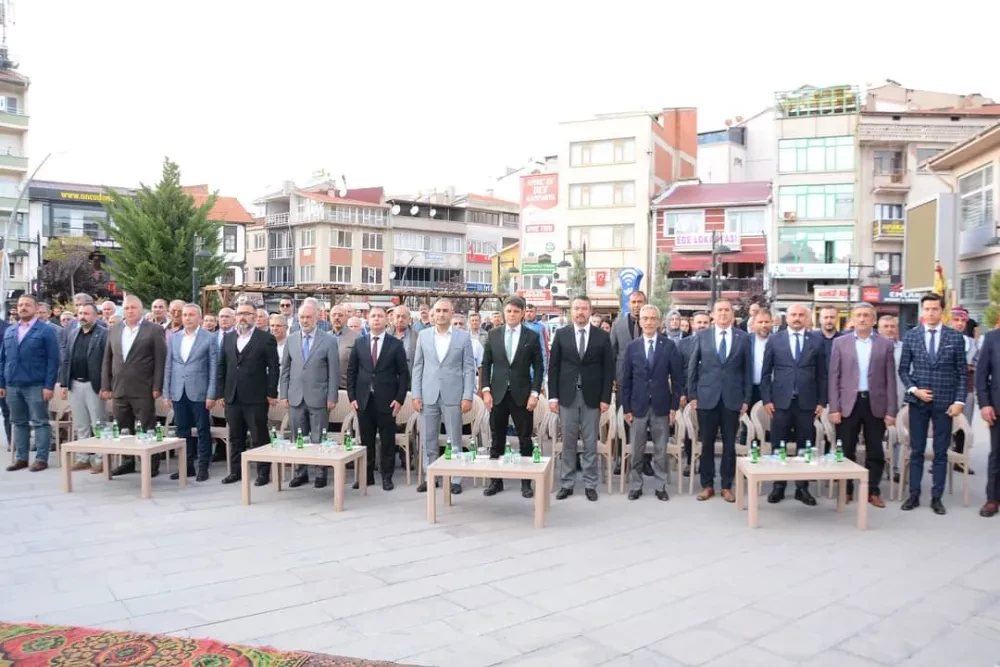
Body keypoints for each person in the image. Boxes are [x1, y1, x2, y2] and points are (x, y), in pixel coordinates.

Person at [898, 293, 966, 515]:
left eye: (934, 309)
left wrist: (959, 401)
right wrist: (914, 390)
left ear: (942, 311)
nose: (930, 313)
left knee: (940, 451)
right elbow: (903, 369)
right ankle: (914, 494)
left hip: (945, 403)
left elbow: (962, 372)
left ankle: (937, 497)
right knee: (916, 450)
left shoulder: (955, 337)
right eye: (927, 309)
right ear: (922, 311)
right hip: (918, 402)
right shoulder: (912, 336)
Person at [828, 303, 898, 507]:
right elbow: (834, 377)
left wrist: (891, 410)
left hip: (875, 403)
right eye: (858, 315)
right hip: (848, 403)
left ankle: (873, 490)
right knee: (846, 448)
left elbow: (890, 379)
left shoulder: (885, 345)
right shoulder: (840, 343)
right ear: (852, 319)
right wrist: (834, 408)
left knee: (875, 449)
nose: (862, 319)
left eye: (867, 315)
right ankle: (847, 489)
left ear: (874, 320)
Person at [548, 295, 614, 502]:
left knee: (590, 442)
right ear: (571, 311)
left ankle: (590, 484)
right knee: (568, 442)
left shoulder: (601, 336)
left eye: (584, 308)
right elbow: (553, 368)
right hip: (567, 396)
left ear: (590, 311)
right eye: (576, 308)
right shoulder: (561, 334)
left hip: (592, 398)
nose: (580, 312)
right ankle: (566, 483)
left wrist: (605, 398)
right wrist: (552, 397)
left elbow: (608, 370)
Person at [761, 303, 826, 506]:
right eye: (793, 315)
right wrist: (766, 399)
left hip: (807, 402)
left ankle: (802, 487)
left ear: (807, 318)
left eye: (801, 315)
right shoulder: (775, 339)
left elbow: (823, 374)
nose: (797, 318)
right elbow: (765, 373)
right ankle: (778, 486)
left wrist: (822, 401)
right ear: (786, 318)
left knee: (805, 446)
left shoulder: (816, 340)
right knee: (778, 444)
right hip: (780, 402)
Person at [688, 299, 751, 502]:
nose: (723, 313)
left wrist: (746, 399)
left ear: (732, 314)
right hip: (707, 398)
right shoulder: (702, 336)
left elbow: (747, 370)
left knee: (729, 444)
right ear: (713, 315)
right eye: (719, 310)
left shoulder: (743, 338)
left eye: (727, 310)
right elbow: (693, 368)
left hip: (732, 398)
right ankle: (707, 485)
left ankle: (726, 485)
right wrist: (693, 395)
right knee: (706, 443)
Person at [481, 296, 544, 498]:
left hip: (522, 395)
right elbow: (486, 364)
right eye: (509, 311)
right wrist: (485, 390)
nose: (512, 315)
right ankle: (495, 481)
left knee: (525, 439)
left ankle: (526, 482)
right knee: (496, 438)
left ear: (523, 313)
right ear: (503, 312)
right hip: (497, 394)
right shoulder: (493, 334)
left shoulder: (531, 336)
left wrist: (535, 393)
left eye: (516, 311)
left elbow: (539, 367)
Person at [620, 304, 684, 501]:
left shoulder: (669, 346)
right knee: (637, 450)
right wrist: (626, 408)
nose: (649, 322)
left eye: (652, 318)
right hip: (637, 406)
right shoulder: (632, 347)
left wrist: (674, 406)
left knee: (660, 450)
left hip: (661, 405)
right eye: (645, 318)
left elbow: (678, 378)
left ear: (658, 321)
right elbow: (626, 380)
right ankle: (636, 485)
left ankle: (660, 486)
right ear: (640, 322)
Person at [412, 299, 476, 495]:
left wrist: (467, 396)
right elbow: (418, 367)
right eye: (438, 310)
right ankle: (430, 476)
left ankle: (455, 479)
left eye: (445, 311)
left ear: (451, 312)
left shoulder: (463, 337)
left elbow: (469, 368)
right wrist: (416, 394)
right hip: (428, 394)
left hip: (453, 395)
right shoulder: (423, 336)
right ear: (433, 313)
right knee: (428, 438)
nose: (441, 314)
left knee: (454, 438)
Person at [101, 295, 167, 477]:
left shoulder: (154, 330)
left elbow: (160, 360)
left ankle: (151, 464)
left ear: (141, 310)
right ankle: (127, 461)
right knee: (123, 426)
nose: (130, 311)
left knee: (147, 426)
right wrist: (106, 385)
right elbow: (107, 359)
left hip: (143, 387)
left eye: (133, 308)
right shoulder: (114, 329)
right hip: (119, 388)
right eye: (127, 308)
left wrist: (157, 386)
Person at [217, 302, 279, 486]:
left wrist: (271, 392)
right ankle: (236, 471)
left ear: (255, 316)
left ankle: (263, 473)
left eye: (247, 313)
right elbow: (222, 366)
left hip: (256, 397)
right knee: (236, 436)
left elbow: (273, 368)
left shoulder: (265, 338)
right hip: (232, 396)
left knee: (259, 436)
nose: (243, 317)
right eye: (240, 313)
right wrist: (221, 392)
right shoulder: (228, 338)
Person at [347, 306, 408, 491]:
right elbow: (352, 371)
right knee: (366, 440)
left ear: (386, 320)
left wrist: (399, 399)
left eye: (380, 316)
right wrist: (352, 397)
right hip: (364, 400)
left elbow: (403, 374)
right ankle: (367, 476)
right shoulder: (359, 343)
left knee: (387, 441)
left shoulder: (395, 344)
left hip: (387, 401)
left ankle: (387, 477)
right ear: (368, 319)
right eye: (373, 316)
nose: (376, 319)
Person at [281, 301, 340, 489]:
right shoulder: (291, 339)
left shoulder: (328, 340)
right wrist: (284, 394)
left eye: (308, 317)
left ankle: (321, 473)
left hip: (319, 397)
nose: (305, 321)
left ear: (316, 318)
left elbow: (334, 372)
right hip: (296, 397)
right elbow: (285, 369)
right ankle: (300, 473)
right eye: (302, 317)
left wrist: (332, 397)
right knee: (298, 437)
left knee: (319, 437)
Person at [2, 295, 60, 472]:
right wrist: (2, 383)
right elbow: (3, 359)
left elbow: (53, 360)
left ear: (36, 308)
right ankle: (21, 458)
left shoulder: (45, 331)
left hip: (36, 384)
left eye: (27, 304)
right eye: (20, 304)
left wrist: (49, 385)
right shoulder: (10, 331)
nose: (23, 307)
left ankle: (41, 458)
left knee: (40, 421)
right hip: (13, 384)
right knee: (18, 422)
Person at [163, 304, 217, 482]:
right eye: (185, 315)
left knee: (202, 430)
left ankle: (203, 467)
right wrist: (167, 393)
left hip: (200, 391)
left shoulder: (209, 338)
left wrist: (211, 394)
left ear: (199, 318)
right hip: (178, 391)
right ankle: (186, 467)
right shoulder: (175, 337)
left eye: (191, 315)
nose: (187, 318)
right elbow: (169, 365)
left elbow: (214, 368)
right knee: (182, 430)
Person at [59, 303, 108, 473]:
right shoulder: (73, 333)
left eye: (86, 313)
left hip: (94, 385)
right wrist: (64, 383)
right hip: (75, 384)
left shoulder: (103, 334)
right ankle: (83, 457)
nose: (82, 317)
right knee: (81, 424)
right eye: (80, 313)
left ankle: (100, 459)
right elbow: (66, 359)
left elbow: (107, 362)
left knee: (98, 424)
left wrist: (106, 385)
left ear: (95, 316)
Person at [677, 311, 709, 476]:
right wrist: (682, 393)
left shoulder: (714, 343)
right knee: (690, 430)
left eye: (705, 322)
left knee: (707, 431)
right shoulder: (683, 344)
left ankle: (705, 463)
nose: (702, 325)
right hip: (689, 394)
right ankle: (690, 462)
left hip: (710, 393)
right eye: (699, 322)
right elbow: (678, 371)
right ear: (692, 324)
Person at [974, 324, 1000, 517]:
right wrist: (985, 404)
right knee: (997, 454)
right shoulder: (992, 338)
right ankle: (993, 498)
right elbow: (981, 374)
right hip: (997, 408)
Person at [950, 306, 979, 475]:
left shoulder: (972, 343)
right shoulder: (942, 340)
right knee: (945, 424)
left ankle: (960, 460)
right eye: (956, 320)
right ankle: (942, 457)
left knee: (964, 424)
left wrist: (968, 367)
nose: (960, 323)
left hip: (966, 387)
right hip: (946, 388)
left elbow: (976, 364)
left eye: (963, 321)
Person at [877, 314, 905, 483]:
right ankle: (878, 468)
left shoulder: (904, 348)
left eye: (892, 326)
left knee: (898, 436)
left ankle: (895, 469)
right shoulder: (873, 347)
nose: (889, 329)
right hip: (878, 399)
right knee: (877, 436)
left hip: (899, 397)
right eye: (885, 327)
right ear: (879, 330)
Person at [329, 304, 359, 390]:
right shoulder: (324, 337)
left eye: (340, 315)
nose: (337, 317)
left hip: (347, 388)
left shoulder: (357, 338)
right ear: (330, 317)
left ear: (346, 318)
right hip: (327, 387)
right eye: (334, 315)